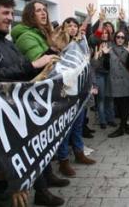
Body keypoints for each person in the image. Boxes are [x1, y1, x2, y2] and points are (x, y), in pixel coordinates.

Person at [0, 0, 66, 206]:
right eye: (5, 13)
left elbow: (25, 66)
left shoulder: (6, 42)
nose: (10, 18)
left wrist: (50, 52)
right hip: (1, 119)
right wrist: (32, 66)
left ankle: (41, 190)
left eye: (11, 13)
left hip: (19, 112)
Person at [55, 17, 97, 177]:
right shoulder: (60, 45)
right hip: (66, 91)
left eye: (75, 26)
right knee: (66, 127)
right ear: (64, 28)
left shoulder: (82, 43)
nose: (72, 28)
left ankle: (79, 153)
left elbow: (87, 64)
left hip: (81, 90)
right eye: (69, 26)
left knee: (78, 124)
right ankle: (63, 161)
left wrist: (90, 84)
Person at [102, 30, 129, 137]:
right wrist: (106, 55)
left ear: (125, 38)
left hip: (126, 81)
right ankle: (125, 125)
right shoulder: (109, 49)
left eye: (122, 37)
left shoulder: (128, 48)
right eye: (118, 37)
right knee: (119, 105)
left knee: (125, 105)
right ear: (115, 38)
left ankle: (121, 128)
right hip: (114, 81)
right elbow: (106, 67)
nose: (120, 39)